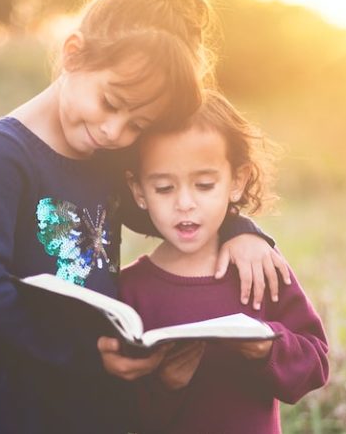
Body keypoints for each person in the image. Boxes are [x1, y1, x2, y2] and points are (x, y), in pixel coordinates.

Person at [0, 0, 291, 434]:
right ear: (73, 54)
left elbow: (168, 212)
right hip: (13, 389)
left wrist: (241, 231)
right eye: (111, 102)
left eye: (137, 125)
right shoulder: (3, 155)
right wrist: (87, 356)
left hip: (91, 385)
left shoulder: (104, 155)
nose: (115, 132)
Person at [121, 89, 329, 434]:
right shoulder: (131, 290)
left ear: (237, 181)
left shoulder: (259, 267)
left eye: (204, 185)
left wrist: (268, 347)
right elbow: (122, 412)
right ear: (139, 190)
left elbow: (316, 364)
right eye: (163, 188)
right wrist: (166, 385)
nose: (184, 203)